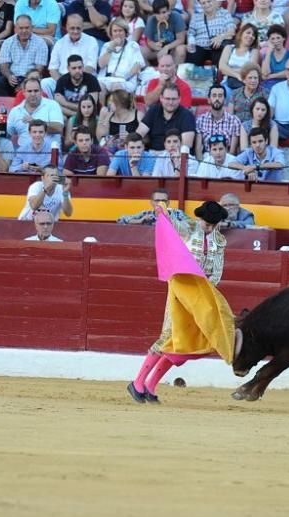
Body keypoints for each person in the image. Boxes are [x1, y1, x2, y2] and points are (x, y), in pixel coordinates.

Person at [127, 199, 232, 403]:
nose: (208, 228)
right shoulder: (188, 228)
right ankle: (137, 382)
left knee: (184, 342)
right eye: (206, 223)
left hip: (201, 295)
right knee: (169, 335)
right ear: (200, 218)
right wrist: (162, 209)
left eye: (212, 225)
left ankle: (150, 385)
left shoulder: (219, 241)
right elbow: (167, 219)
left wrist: (206, 294)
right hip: (180, 290)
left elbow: (217, 270)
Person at [0, 15, 50, 96]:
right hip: (13, 78)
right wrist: (9, 76)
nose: (24, 31)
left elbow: (39, 69)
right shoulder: (8, 42)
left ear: (31, 28)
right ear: (15, 29)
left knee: (34, 86)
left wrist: (26, 82)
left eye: (27, 28)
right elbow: (3, 66)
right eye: (21, 28)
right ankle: (7, 106)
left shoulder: (40, 43)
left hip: (32, 78)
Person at [137, 83, 196, 150]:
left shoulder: (187, 115)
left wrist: (166, 155)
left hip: (176, 156)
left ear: (179, 99)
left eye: (174, 99)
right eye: (167, 99)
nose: (170, 102)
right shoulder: (153, 110)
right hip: (152, 154)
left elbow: (186, 146)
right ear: (161, 98)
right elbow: (139, 134)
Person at [7, 77, 65, 142]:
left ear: (41, 91)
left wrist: (35, 122)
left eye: (36, 91)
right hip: (23, 151)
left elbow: (59, 128)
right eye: (29, 91)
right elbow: (10, 132)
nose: (33, 94)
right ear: (23, 92)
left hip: (48, 151)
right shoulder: (15, 111)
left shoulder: (52, 105)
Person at [48, 13, 100, 84]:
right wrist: (61, 82)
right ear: (66, 27)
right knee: (45, 83)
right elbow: (52, 68)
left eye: (78, 28)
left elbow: (90, 67)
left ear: (82, 27)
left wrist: (76, 81)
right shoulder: (59, 43)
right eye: (72, 28)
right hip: (62, 79)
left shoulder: (91, 41)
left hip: (85, 78)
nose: (75, 31)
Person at [97, 18, 145, 93]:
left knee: (117, 86)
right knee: (99, 87)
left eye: (120, 31)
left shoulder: (132, 45)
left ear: (125, 32)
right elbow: (101, 64)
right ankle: (102, 105)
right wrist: (111, 48)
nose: (118, 33)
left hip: (125, 80)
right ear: (111, 33)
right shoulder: (107, 45)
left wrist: (124, 77)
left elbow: (137, 66)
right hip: (106, 78)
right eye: (115, 31)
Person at [195, 85, 242, 158]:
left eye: (220, 96)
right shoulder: (201, 120)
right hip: (207, 158)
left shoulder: (234, 121)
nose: (217, 98)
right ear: (209, 99)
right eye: (214, 96)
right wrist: (201, 165)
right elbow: (198, 149)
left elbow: (232, 151)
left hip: (226, 158)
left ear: (225, 100)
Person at [185, 0, 237, 66]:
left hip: (218, 47)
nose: (207, 5)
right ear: (200, 5)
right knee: (194, 54)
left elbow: (232, 31)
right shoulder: (196, 17)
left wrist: (220, 38)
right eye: (203, 3)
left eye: (209, 1)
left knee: (221, 54)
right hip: (200, 47)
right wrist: (190, 42)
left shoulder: (224, 13)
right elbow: (190, 34)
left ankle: (219, 75)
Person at [218, 22, 259, 92]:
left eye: (253, 35)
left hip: (245, 85)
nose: (251, 36)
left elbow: (250, 70)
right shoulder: (229, 48)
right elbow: (222, 67)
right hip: (228, 83)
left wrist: (229, 70)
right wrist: (237, 75)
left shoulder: (254, 51)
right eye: (248, 33)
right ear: (241, 33)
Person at [142, 0, 187, 65]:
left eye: (164, 12)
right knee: (142, 51)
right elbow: (149, 41)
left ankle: (176, 72)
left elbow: (181, 39)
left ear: (169, 11)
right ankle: (150, 72)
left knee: (181, 49)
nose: (161, 16)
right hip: (158, 50)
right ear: (154, 14)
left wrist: (167, 47)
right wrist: (155, 47)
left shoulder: (176, 16)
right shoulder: (151, 20)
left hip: (173, 49)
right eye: (158, 13)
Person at [117, 188, 190, 224]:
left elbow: (192, 225)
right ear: (152, 202)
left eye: (163, 201)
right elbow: (120, 219)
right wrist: (139, 221)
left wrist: (174, 222)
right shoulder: (146, 214)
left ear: (168, 202)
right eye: (157, 200)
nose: (160, 203)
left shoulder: (177, 214)